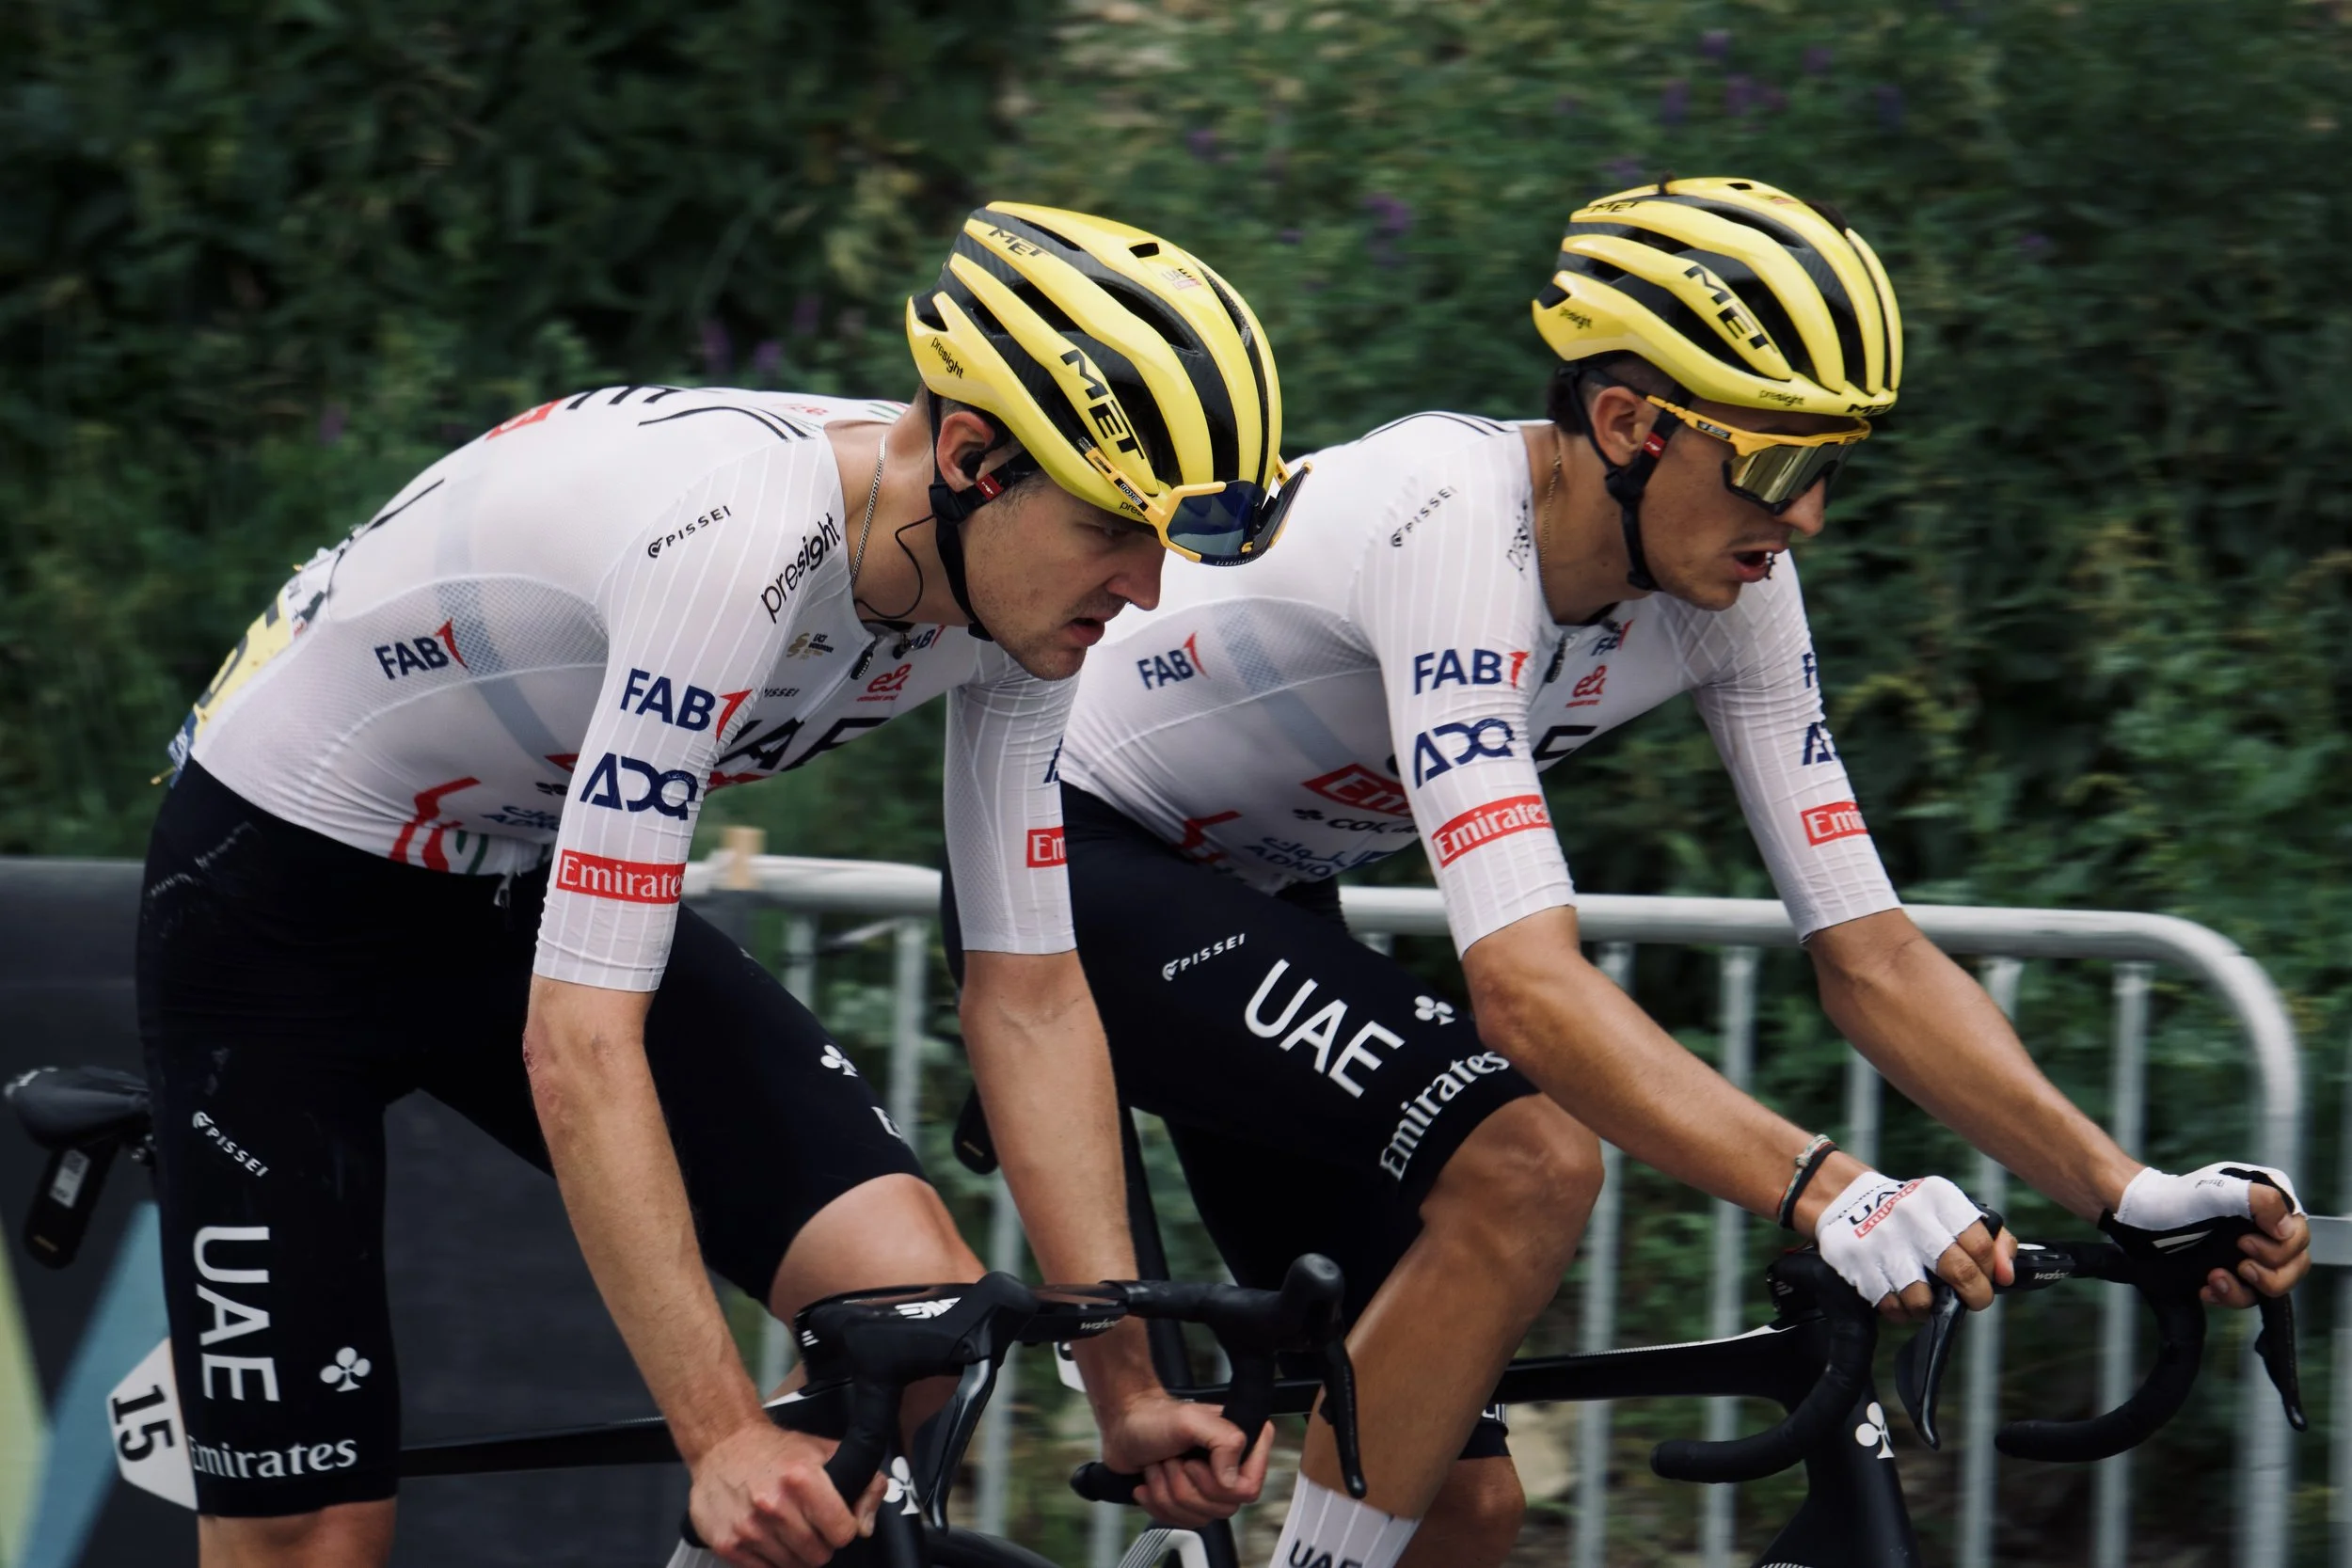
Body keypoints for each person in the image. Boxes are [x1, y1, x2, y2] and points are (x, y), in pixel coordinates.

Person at [1046, 178, 2311, 1568]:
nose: (1813, 514)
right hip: (1079, 865)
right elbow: (1526, 990)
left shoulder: (1737, 592)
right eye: (1779, 465)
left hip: (1266, 895)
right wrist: (1833, 1187)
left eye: (1838, 466)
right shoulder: (1457, 522)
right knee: (1528, 1159)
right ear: (1632, 424)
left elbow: (1871, 951)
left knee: (1463, 1509)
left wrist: (2119, 1185)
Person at [138, 201, 1307, 1568]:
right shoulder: (735, 550)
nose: (1149, 587)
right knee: (311, 1535)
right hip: (277, 894)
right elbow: (581, 1043)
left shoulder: (1016, 613)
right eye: (1120, 526)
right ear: (978, 458)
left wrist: (1130, 1387)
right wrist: (718, 1434)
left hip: (505, 874)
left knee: (913, 1320)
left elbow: (1032, 996)